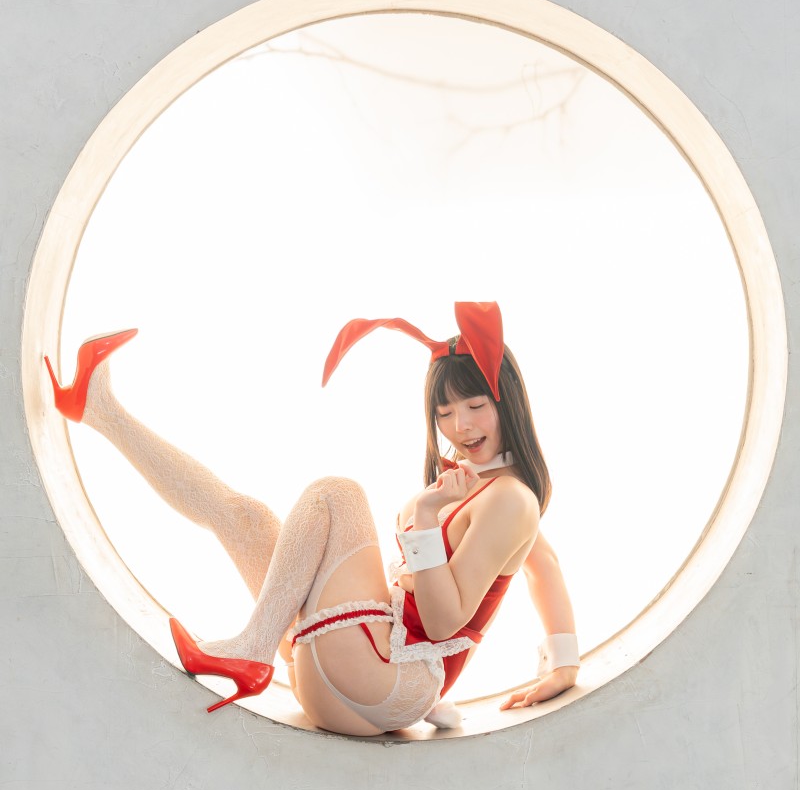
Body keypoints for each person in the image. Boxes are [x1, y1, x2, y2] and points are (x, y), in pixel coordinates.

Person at [44, 303, 579, 736]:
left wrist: (422, 516)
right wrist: (563, 661)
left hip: (391, 679)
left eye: (475, 406)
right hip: (352, 668)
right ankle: (100, 410)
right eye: (444, 413)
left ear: (507, 401)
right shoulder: (484, 489)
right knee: (248, 519)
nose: (459, 426)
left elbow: (442, 625)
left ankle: (251, 650)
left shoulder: (510, 499)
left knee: (337, 495)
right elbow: (543, 566)